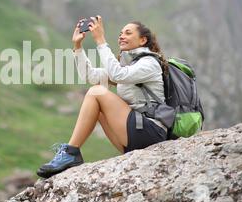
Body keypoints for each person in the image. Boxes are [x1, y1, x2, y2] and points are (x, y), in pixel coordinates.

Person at [36, 16, 169, 178]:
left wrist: (100, 40)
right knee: (96, 106)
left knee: (97, 92)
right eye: (121, 33)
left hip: (151, 133)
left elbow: (118, 75)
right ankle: (71, 154)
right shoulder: (130, 66)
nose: (122, 36)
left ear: (142, 40)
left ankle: (71, 152)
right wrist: (77, 46)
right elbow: (91, 76)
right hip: (135, 137)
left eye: (128, 33)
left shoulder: (149, 63)